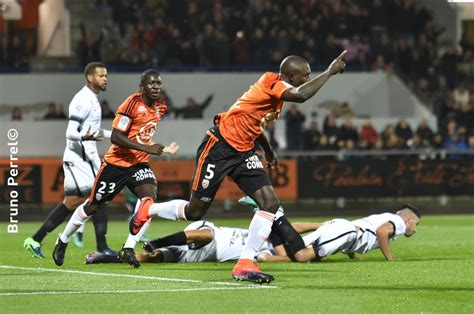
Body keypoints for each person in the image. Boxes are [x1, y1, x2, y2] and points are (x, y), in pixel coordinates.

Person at [128, 51, 347, 283]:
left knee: (270, 203)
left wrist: (269, 151)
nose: (308, 79)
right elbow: (302, 95)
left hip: (243, 151)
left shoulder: (278, 94)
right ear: (292, 76)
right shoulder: (272, 82)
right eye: (306, 75)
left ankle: (245, 263)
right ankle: (148, 210)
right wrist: (329, 71)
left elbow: (255, 123)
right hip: (219, 147)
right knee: (195, 212)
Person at [51, 69, 179, 267]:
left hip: (138, 163)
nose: (156, 87)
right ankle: (63, 240)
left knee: (149, 200)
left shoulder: (161, 106)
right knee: (92, 205)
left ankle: (128, 248)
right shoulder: (131, 104)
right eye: (151, 84)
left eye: (158, 84)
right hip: (116, 164)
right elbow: (116, 137)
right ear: (141, 87)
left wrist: (161, 148)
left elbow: (141, 133)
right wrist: (147, 148)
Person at [24, 62, 115, 258]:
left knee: (71, 202)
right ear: (90, 78)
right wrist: (86, 139)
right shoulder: (83, 99)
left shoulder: (91, 99)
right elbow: (71, 132)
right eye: (101, 75)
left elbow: (91, 130)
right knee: (100, 198)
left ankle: (35, 239)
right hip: (80, 157)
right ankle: (103, 248)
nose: (105, 78)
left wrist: (113, 135)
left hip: (78, 156)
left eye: (106, 75)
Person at [242, 198, 421, 263]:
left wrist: (352, 254)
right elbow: (381, 232)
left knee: (300, 246)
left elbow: (371, 230)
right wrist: (390, 259)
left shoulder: (385, 215)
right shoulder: (399, 222)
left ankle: (269, 223)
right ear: (409, 220)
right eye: (416, 225)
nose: (415, 229)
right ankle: (277, 215)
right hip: (347, 232)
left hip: (344, 230)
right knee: (302, 255)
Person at [85, 219, 321, 267]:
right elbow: (292, 226)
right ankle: (157, 241)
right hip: (213, 233)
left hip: (202, 255)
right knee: (205, 235)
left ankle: (101, 257)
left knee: (153, 258)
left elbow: (291, 257)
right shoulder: (270, 235)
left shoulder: (267, 255)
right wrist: (321, 225)